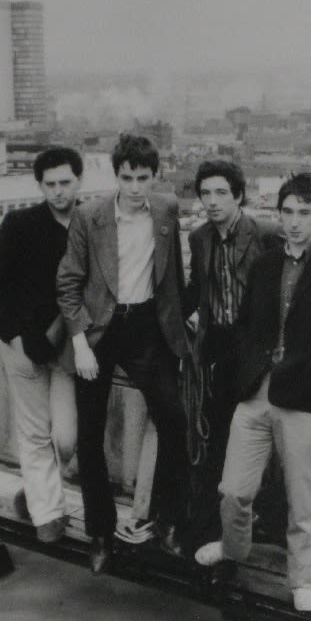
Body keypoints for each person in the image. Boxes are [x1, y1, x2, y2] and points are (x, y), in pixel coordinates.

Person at [195, 173, 311, 612]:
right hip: (256, 393)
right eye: (287, 212)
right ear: (278, 215)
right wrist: (242, 358)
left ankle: (302, 578)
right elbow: (246, 326)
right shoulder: (264, 264)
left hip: (307, 401)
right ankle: (234, 548)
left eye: (303, 212)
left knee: (304, 499)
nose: (294, 222)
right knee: (234, 490)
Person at [56, 134, 190, 575]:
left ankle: (168, 522)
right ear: (116, 176)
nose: (135, 186)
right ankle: (99, 531)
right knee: (91, 436)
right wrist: (79, 343)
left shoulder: (167, 210)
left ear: (156, 176)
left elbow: (174, 277)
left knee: (174, 421)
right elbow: (69, 282)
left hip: (147, 328)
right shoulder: (89, 217)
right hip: (98, 331)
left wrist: (179, 326)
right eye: (127, 177)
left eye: (143, 178)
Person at [0, 147, 82, 543]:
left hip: (66, 347)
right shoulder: (21, 224)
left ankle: (36, 492)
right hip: (23, 344)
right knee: (34, 432)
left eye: (65, 182)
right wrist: (15, 336)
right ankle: (48, 515)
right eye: (50, 184)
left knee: (67, 438)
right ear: (40, 185)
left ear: (79, 180)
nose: (58, 192)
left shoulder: (90, 223)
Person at [182, 160, 282, 554]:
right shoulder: (199, 238)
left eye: (221, 192)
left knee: (259, 440)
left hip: (256, 351)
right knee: (219, 439)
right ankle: (219, 532)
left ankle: (258, 522)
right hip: (218, 348)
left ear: (239, 195)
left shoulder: (265, 234)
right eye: (205, 193)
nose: (212, 201)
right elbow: (195, 289)